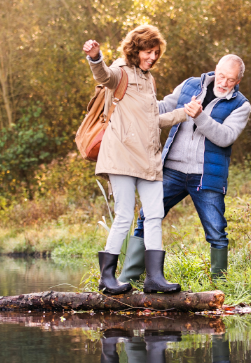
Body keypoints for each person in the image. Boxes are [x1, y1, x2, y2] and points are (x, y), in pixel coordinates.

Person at [83, 25, 204, 295]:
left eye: (156, 54)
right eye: (149, 52)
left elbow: (153, 121)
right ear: (136, 50)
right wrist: (95, 57)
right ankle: (107, 278)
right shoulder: (120, 73)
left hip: (148, 159)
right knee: (125, 215)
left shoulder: (149, 80)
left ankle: (155, 278)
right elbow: (102, 75)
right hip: (122, 157)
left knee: (155, 214)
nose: (153, 58)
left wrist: (186, 113)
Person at [118, 54, 251, 282]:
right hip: (172, 170)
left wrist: (200, 117)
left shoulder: (241, 105)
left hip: (206, 176)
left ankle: (219, 285)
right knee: (147, 217)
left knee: (217, 232)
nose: (223, 82)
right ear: (215, 69)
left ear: (238, 81)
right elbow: (162, 108)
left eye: (230, 79)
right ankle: (129, 278)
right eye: (221, 75)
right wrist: (136, 101)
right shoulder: (190, 85)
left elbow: (225, 137)